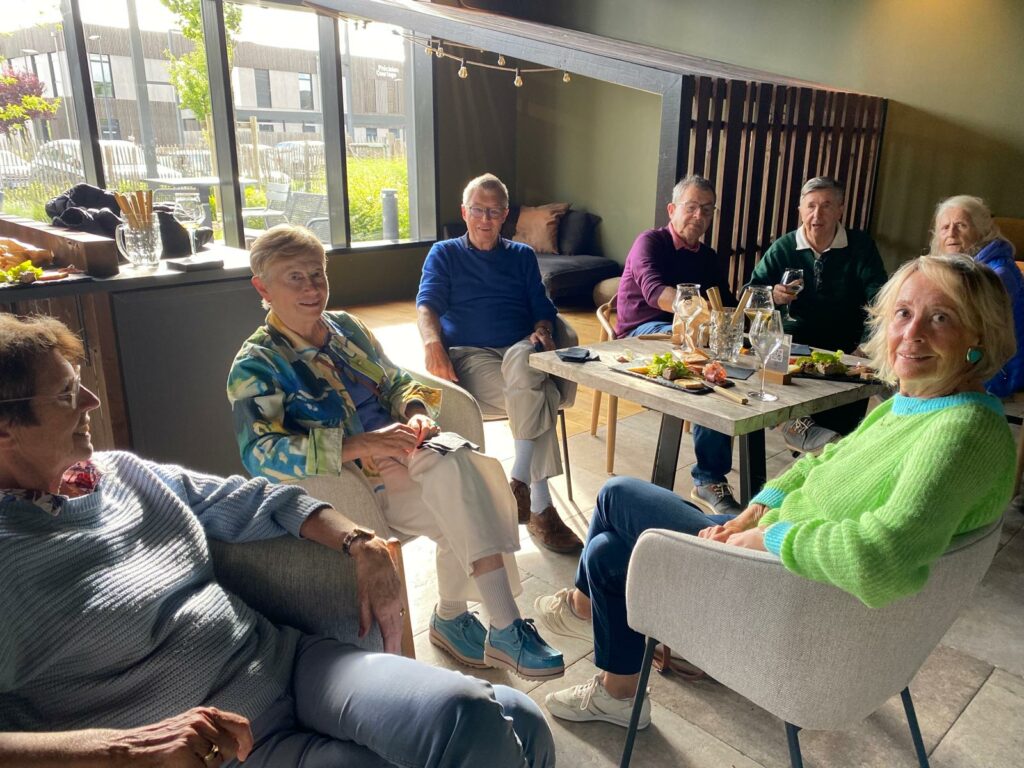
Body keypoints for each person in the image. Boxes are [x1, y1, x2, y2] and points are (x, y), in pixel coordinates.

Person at [0, 313, 555, 767]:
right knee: (493, 731)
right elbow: (265, 451)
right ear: (5, 427)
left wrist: (360, 541)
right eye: (67, 394)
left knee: (507, 718)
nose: (91, 402)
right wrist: (121, 750)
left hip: (288, 666)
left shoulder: (123, 472)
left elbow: (255, 498)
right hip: (219, 750)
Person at [536, 253, 1015, 729]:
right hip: (784, 569)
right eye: (904, 313)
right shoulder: (913, 403)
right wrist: (756, 512)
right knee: (610, 537)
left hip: (789, 603)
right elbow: (823, 462)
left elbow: (881, 559)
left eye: (941, 317)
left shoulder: (962, 431)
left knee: (613, 517)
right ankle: (605, 662)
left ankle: (587, 618)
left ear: (979, 334)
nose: (912, 333)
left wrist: (767, 539)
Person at [227, 225, 563, 681]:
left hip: (405, 448)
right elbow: (261, 452)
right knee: (467, 494)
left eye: (318, 275)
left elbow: (394, 380)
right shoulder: (257, 363)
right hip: (358, 479)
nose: (312, 288)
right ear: (263, 288)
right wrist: (361, 443)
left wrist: (416, 410)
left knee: (469, 471)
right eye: (295, 278)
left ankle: (474, 622)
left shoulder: (346, 328)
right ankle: (478, 621)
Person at [416, 173, 582, 554]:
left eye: (494, 211)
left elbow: (542, 307)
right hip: (470, 356)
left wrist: (542, 330)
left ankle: (518, 483)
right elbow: (426, 306)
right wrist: (431, 343)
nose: (485, 219)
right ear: (464, 212)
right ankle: (540, 507)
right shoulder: (444, 254)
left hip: (518, 350)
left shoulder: (521, 256)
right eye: (478, 210)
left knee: (526, 362)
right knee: (538, 391)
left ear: (506, 215)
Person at [613, 174, 741, 517]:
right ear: (672, 210)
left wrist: (740, 321)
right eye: (692, 207)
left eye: (707, 210)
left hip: (688, 339)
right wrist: (700, 316)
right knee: (704, 358)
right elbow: (656, 292)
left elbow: (726, 305)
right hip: (641, 333)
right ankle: (710, 477)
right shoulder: (650, 242)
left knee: (724, 357)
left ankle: (780, 423)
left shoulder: (708, 256)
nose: (699, 216)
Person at [749, 176, 889, 452]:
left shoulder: (860, 246)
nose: (817, 214)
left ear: (840, 210)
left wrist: (865, 345)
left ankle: (818, 446)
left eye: (826, 205)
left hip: (847, 347)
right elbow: (751, 293)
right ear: (800, 210)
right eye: (811, 206)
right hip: (794, 346)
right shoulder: (784, 247)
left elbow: (881, 299)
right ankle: (794, 426)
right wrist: (773, 296)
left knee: (839, 433)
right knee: (784, 387)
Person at [931, 194, 1024, 396]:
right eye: (945, 227)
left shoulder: (997, 275)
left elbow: (965, 334)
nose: (951, 233)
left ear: (983, 231)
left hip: (996, 377)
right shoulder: (958, 269)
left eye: (961, 225)